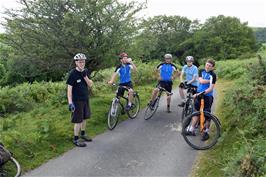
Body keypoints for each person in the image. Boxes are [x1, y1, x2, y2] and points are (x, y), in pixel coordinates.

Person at [185, 59, 217, 141]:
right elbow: (201, 81)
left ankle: (206, 132)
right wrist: (208, 81)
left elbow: (210, 88)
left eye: (210, 66)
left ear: (213, 67)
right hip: (199, 94)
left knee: (207, 115)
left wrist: (201, 93)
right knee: (196, 112)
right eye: (207, 65)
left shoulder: (213, 75)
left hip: (207, 96)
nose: (208, 66)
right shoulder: (201, 71)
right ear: (205, 64)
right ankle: (191, 129)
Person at [66, 53, 93, 147]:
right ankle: (76, 139)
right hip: (77, 101)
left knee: (85, 118)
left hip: (85, 99)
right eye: (80, 61)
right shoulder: (72, 74)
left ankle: (83, 134)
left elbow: (90, 85)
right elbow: (69, 91)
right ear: (76, 62)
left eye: (83, 61)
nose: (82, 63)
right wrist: (70, 103)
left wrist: (85, 76)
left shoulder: (85, 71)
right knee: (78, 120)